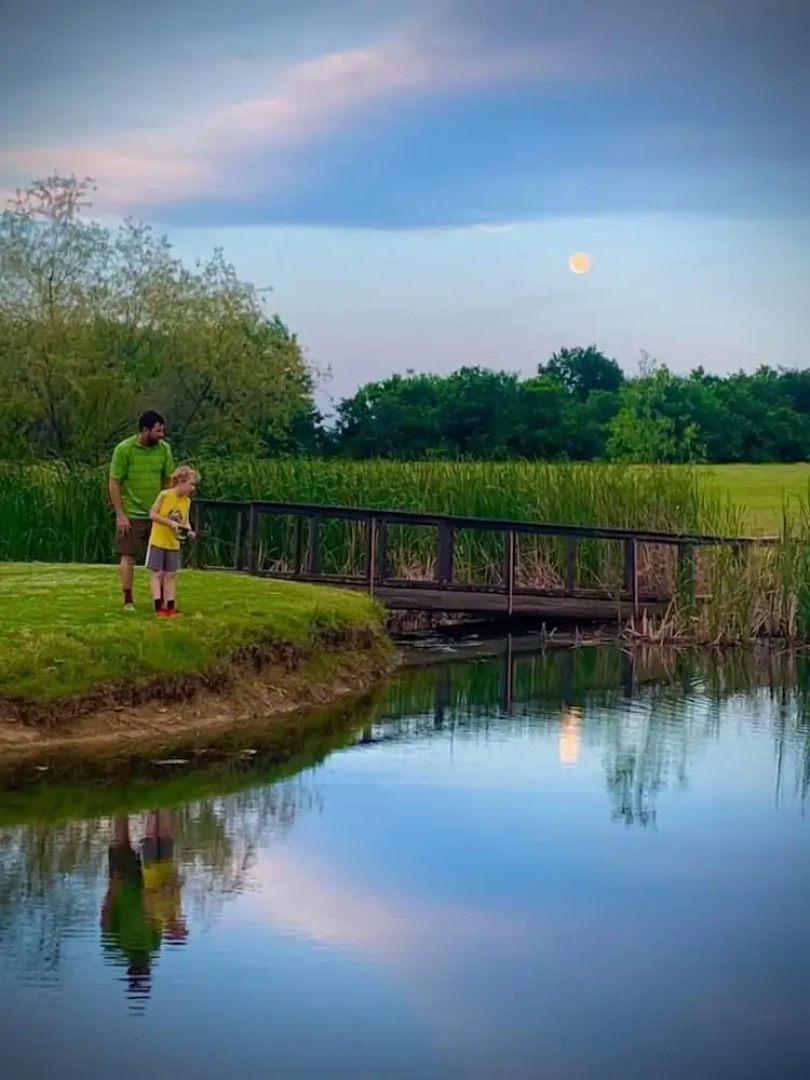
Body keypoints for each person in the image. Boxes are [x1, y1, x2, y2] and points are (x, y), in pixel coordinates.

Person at [109, 411, 174, 611]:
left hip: (157, 513)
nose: (162, 435)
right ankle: (128, 599)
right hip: (132, 513)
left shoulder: (164, 449)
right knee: (128, 555)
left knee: (162, 558)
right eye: (158, 431)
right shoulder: (124, 449)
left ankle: (163, 600)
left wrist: (167, 510)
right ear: (145, 430)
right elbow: (114, 482)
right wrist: (120, 514)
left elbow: (168, 480)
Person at [147, 464, 198, 617]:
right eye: (191, 484)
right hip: (158, 540)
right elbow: (152, 514)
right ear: (181, 481)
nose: (193, 488)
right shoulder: (165, 495)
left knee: (171, 574)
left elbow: (185, 521)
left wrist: (189, 531)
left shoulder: (187, 501)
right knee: (158, 573)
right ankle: (158, 605)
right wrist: (169, 523)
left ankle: (170, 605)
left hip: (173, 543)